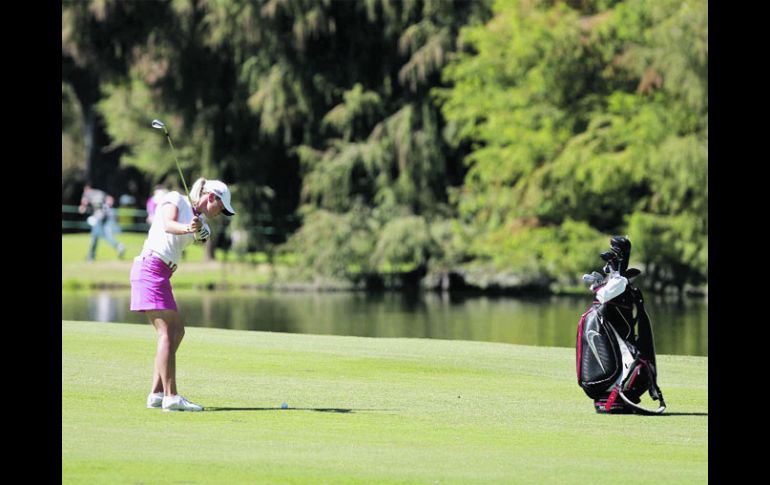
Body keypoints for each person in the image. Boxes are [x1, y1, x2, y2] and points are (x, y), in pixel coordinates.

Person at [129, 177, 236, 412]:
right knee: (167, 332)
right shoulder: (174, 198)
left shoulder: (203, 225)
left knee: (177, 331)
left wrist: (196, 227)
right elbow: (168, 224)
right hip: (150, 267)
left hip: (162, 273)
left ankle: (157, 393)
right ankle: (171, 396)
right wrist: (189, 226)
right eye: (221, 207)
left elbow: (201, 235)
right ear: (211, 197)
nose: (221, 213)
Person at [78, 184, 126, 261]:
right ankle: (117, 246)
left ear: (86, 189)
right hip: (105, 215)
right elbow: (110, 200)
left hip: (98, 216)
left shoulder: (86, 193)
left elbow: (84, 204)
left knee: (96, 236)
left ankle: (91, 256)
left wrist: (82, 208)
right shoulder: (99, 192)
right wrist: (106, 208)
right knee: (100, 235)